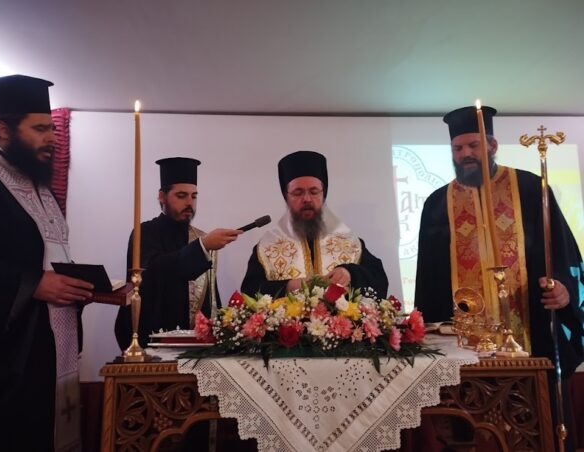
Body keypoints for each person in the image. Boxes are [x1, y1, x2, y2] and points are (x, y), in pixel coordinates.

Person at [414, 106, 583, 449]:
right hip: (463, 353)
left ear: (491, 145)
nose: (466, 154)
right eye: (458, 148)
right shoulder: (437, 203)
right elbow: (427, 283)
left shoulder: (531, 188)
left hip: (531, 340)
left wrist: (562, 288)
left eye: (473, 145)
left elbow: (563, 252)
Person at [0, 75, 94, 451]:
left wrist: (82, 287)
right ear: (4, 128)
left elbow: (47, 256)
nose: (52, 138)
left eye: (53, 128)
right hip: (5, 357)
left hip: (46, 350)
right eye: (40, 129)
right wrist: (32, 284)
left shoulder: (40, 187)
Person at [115, 157, 242, 349]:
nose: (189, 203)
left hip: (196, 345)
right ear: (162, 196)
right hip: (153, 340)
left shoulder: (200, 237)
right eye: (181, 196)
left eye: (194, 196)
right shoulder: (144, 233)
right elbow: (154, 271)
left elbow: (210, 299)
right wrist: (202, 246)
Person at [241, 150, 388, 298]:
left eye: (314, 191)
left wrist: (349, 273)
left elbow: (379, 280)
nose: (307, 199)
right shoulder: (268, 246)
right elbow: (249, 290)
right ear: (286, 196)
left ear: (323, 194)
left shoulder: (348, 241)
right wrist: (288, 286)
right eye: (298, 192)